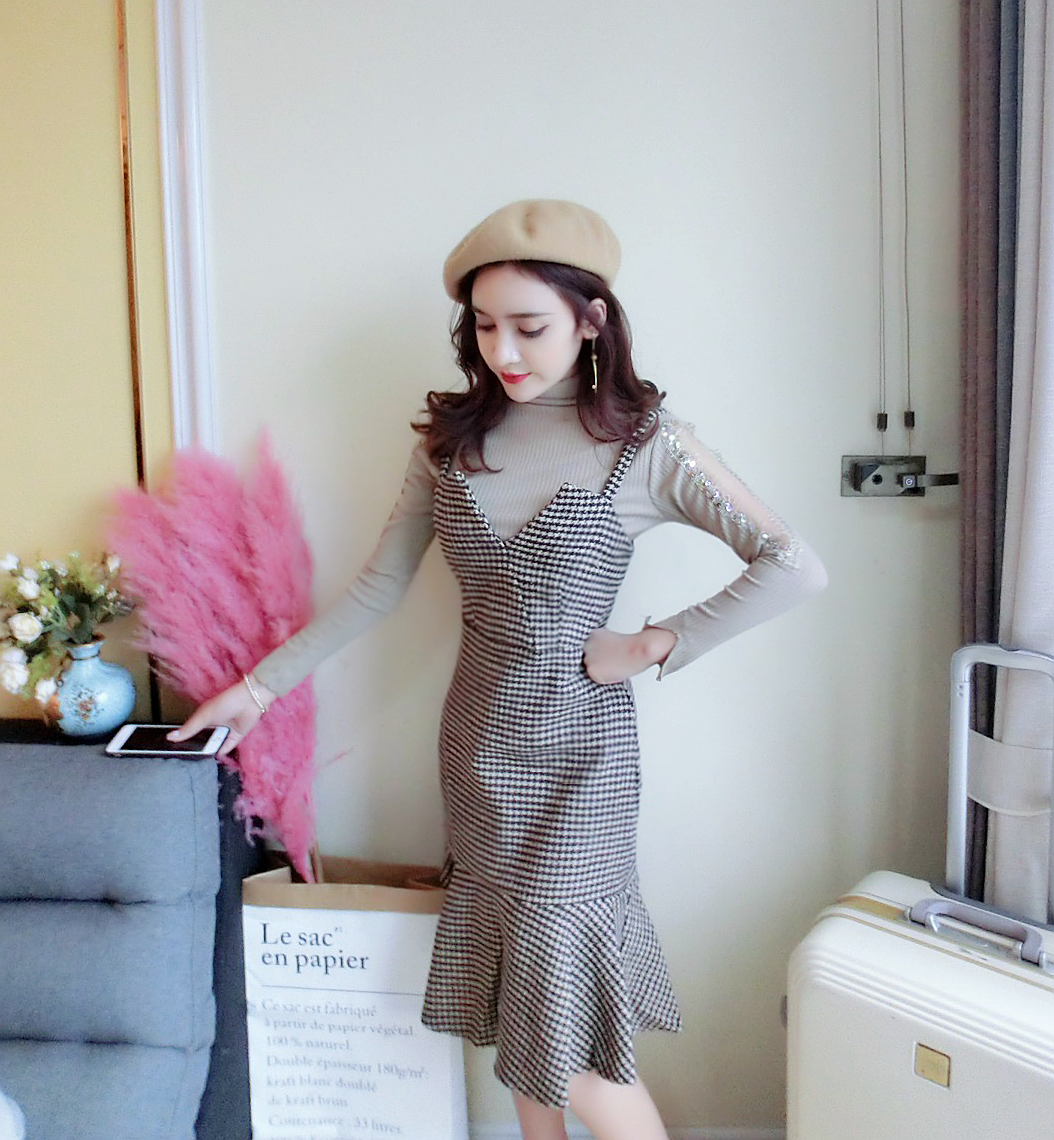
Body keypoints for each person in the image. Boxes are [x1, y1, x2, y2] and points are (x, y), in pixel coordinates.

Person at [172, 199, 827, 1140]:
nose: (504, 352)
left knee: (575, 1045)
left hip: (581, 760)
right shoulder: (450, 446)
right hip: (479, 749)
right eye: (484, 327)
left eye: (529, 327)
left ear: (591, 321)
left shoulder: (647, 445)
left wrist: (653, 642)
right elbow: (377, 588)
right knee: (521, 1010)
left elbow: (793, 565)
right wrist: (256, 689)